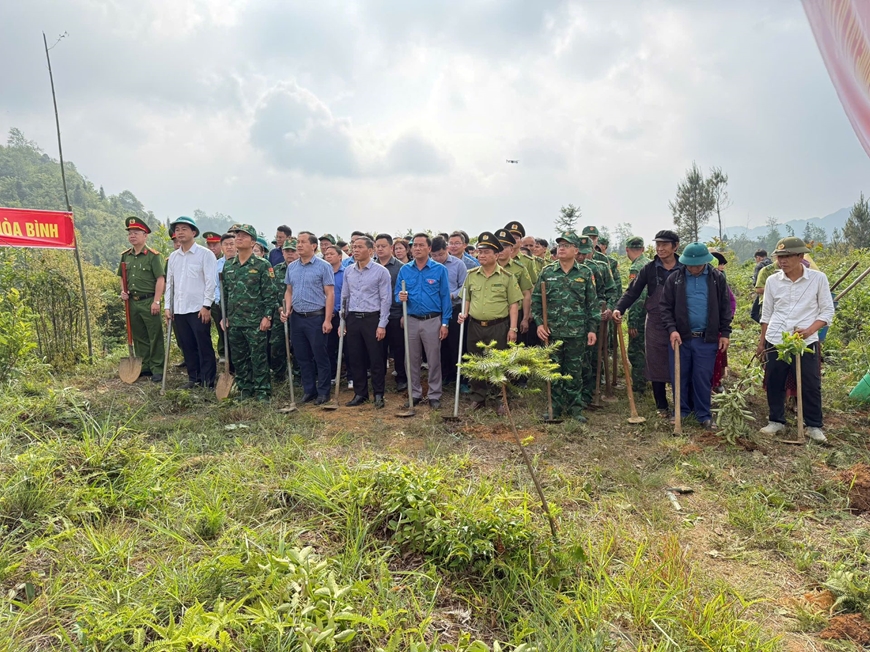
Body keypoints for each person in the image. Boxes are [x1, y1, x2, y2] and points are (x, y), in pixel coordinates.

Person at [757, 237, 835, 443]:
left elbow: (827, 311)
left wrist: (809, 331)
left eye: (787, 256)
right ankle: (776, 421)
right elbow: (767, 313)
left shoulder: (818, 279)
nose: (782, 261)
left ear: (800, 256)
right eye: (779, 257)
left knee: (810, 383)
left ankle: (813, 425)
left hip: (805, 342)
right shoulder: (772, 281)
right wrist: (762, 342)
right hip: (776, 339)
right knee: (774, 381)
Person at [660, 242, 733, 431]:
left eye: (697, 265)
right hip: (681, 338)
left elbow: (725, 307)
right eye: (689, 265)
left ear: (705, 262)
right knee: (680, 375)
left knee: (702, 376)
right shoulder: (675, 278)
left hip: (706, 339)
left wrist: (725, 332)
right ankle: (681, 411)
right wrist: (672, 329)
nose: (693, 269)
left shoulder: (717, 278)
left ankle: (703, 414)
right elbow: (665, 307)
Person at [613, 230, 683, 417]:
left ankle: (681, 404)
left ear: (675, 246)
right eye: (658, 244)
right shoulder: (649, 269)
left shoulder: (684, 268)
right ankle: (661, 405)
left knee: (680, 360)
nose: (660, 248)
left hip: (681, 321)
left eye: (664, 245)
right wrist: (620, 308)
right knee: (655, 361)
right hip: (655, 321)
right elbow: (633, 291)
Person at [532, 232, 599, 421]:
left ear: (576, 250)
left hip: (577, 332)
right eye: (560, 245)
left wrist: (592, 329)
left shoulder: (585, 273)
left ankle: (575, 408)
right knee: (553, 370)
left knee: (574, 372)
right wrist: (539, 324)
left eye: (566, 245)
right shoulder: (547, 272)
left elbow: (592, 304)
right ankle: (554, 407)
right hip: (552, 331)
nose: (561, 248)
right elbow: (536, 301)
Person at [458, 232, 521, 414]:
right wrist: (464, 314)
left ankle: (500, 398)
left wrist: (513, 328)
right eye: (480, 251)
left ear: (496, 254)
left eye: (486, 252)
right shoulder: (471, 275)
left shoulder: (507, 277)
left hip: (498, 326)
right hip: (475, 326)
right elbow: (467, 298)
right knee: (475, 361)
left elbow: (513, 305)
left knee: (499, 363)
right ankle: (478, 397)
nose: (482, 255)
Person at [396, 233, 451, 410]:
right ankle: (415, 393)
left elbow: (445, 297)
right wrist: (400, 296)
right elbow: (397, 294)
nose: (417, 248)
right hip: (411, 320)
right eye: (415, 245)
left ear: (429, 248)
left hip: (432, 320)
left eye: (421, 245)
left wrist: (445, 323)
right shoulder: (405, 270)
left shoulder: (439, 270)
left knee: (434, 359)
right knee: (411, 359)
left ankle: (434, 394)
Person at [221, 224, 275, 401]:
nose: (238, 238)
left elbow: (270, 293)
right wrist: (224, 316)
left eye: (243, 236)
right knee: (239, 358)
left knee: (259, 358)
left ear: (253, 242)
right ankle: (245, 389)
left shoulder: (262, 265)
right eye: (237, 235)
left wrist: (267, 316)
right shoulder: (229, 266)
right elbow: (225, 294)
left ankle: (262, 391)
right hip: (235, 321)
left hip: (255, 321)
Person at [281, 232, 335, 404]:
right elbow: (289, 291)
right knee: (302, 356)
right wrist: (287, 309)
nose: (299, 245)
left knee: (320, 355)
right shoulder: (292, 267)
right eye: (298, 242)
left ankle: (324, 392)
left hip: (316, 318)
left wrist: (327, 320)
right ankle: (309, 390)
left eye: (303, 242)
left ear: (313, 246)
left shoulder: (323, 266)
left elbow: (330, 293)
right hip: (297, 318)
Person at [165, 216, 217, 389]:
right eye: (177, 229)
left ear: (193, 232)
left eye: (184, 229)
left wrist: (206, 305)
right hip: (179, 309)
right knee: (187, 345)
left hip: (198, 308)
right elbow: (170, 284)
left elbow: (211, 282)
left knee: (203, 345)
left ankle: (208, 381)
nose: (180, 232)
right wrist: (168, 306)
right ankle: (193, 378)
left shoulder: (205, 254)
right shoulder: (173, 257)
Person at [341, 237, 392, 408]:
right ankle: (360, 393)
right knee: (355, 357)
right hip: (353, 318)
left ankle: (378, 394)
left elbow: (385, 299)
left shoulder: (381, 272)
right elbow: (345, 297)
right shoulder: (348, 271)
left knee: (376, 357)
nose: (355, 250)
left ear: (370, 251)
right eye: (354, 247)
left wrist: (382, 324)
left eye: (359, 247)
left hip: (372, 318)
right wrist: (343, 320)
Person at [118, 216, 166, 383]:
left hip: (149, 301)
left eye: (136, 233)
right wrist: (123, 291)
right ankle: (144, 366)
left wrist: (157, 301)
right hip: (132, 301)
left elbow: (160, 279)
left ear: (145, 236)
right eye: (130, 233)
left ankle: (157, 368)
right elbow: (121, 276)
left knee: (155, 335)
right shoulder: (126, 256)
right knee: (139, 336)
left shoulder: (153, 256)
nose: (132, 236)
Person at [431, 236, 468, 386]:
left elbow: (464, 287)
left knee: (456, 343)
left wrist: (451, 295)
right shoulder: (429, 266)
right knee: (441, 344)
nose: (438, 258)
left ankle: (462, 377)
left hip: (454, 308)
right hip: (436, 310)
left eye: (440, 254)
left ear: (446, 249)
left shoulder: (458, 265)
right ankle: (446, 375)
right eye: (434, 255)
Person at [374, 233, 408, 392]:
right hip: (376, 314)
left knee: (399, 348)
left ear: (391, 248)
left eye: (383, 246)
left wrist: (403, 314)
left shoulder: (401, 267)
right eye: (377, 246)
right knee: (378, 349)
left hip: (395, 314)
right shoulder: (371, 266)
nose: (380, 249)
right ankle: (379, 379)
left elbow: (405, 291)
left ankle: (401, 378)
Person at [622, 236, 650, 394]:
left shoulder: (636, 268)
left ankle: (639, 386)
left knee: (636, 351)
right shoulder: (649, 263)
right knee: (647, 349)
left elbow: (637, 296)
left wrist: (632, 321)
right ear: (643, 249)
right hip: (652, 315)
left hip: (640, 316)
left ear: (627, 250)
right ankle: (649, 380)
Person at [494, 229, 533, 336]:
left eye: (504, 247)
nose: (501, 250)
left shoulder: (520, 268)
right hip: (494, 315)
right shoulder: (487, 267)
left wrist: (525, 318)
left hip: (514, 314)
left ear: (511, 249)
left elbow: (526, 294)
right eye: (498, 247)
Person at [269, 238, 297, 380]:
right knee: (276, 345)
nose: (290, 254)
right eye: (287, 251)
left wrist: (292, 308)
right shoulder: (275, 270)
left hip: (298, 313)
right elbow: (270, 293)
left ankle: (298, 375)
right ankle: (279, 374)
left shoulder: (301, 269)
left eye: (293, 251)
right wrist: (280, 308)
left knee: (298, 346)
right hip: (279, 314)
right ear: (282, 252)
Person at [710, 252, 736, 393]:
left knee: (718, 355)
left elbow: (730, 301)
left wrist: (726, 320)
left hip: (717, 326)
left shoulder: (719, 279)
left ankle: (716, 382)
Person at [323, 244, 346, 382]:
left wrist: (337, 310)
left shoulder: (346, 273)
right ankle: (332, 375)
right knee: (328, 347)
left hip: (342, 314)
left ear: (340, 256)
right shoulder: (322, 272)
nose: (328, 256)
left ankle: (350, 376)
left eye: (332, 254)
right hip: (327, 315)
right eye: (326, 254)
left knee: (347, 347)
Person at [212, 232, 236, 365]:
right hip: (220, 303)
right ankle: (228, 360)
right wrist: (217, 301)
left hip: (238, 305)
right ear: (221, 247)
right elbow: (214, 284)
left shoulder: (242, 262)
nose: (229, 247)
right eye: (226, 244)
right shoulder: (217, 264)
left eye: (232, 244)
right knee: (223, 331)